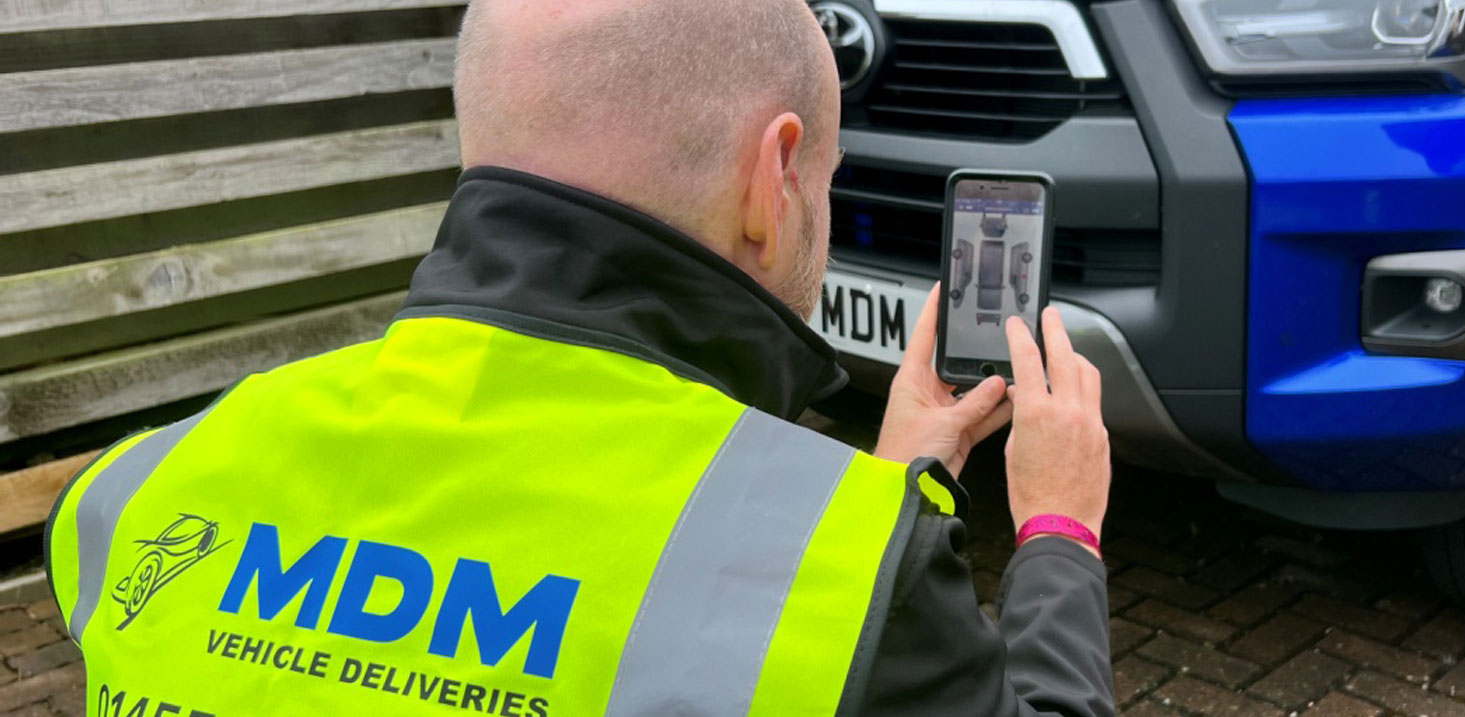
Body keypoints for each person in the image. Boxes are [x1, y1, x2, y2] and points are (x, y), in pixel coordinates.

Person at [43, 0, 1115, 714]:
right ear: (773, 175)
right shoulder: (869, 591)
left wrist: (880, 489)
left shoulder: (134, 490)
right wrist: (1060, 532)